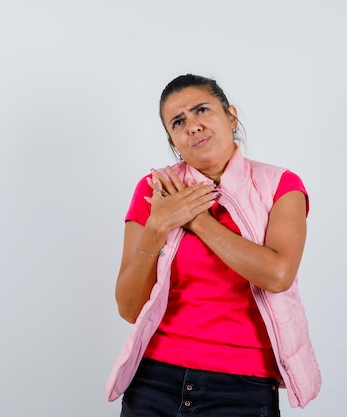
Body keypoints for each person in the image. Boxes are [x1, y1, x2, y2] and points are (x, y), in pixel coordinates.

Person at [106, 74, 321, 416]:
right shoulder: (154, 189)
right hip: (154, 381)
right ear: (174, 140)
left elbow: (278, 274)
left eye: (201, 110)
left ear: (230, 116)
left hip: (243, 388)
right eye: (178, 122)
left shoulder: (280, 184)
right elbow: (129, 308)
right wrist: (158, 225)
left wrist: (196, 220)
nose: (192, 126)